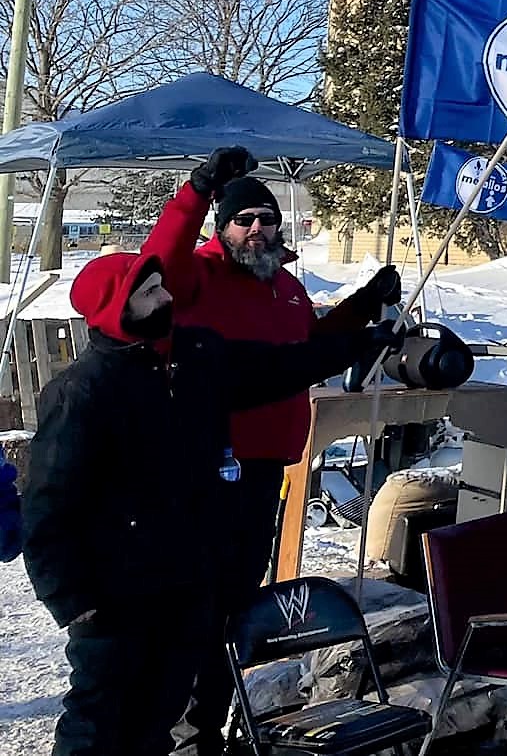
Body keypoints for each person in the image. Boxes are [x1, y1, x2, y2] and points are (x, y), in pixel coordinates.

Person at [22, 253, 395, 756]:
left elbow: (278, 367)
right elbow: (48, 507)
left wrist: (357, 345)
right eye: (151, 292)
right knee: (99, 720)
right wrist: (75, 603)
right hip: (116, 595)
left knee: (160, 711)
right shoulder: (81, 392)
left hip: (188, 577)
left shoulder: (195, 357)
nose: (167, 298)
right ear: (116, 310)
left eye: (163, 288)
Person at [139, 146, 400, 755]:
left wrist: (363, 306)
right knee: (194, 609)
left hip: (263, 473)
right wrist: (199, 188)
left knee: (236, 606)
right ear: (222, 228)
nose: (257, 229)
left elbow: (308, 346)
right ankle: (180, 736)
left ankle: (214, 725)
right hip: (204, 472)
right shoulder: (197, 277)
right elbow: (158, 260)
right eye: (243, 220)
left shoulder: (282, 285)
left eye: (267, 219)